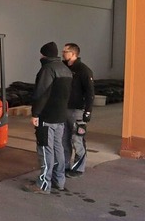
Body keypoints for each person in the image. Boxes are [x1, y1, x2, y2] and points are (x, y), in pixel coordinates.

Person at [23, 41, 72, 194]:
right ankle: (59, 180)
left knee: (45, 149)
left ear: (44, 55)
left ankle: (44, 184)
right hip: (61, 116)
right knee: (59, 148)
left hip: (47, 116)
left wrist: (35, 113)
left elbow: (41, 94)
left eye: (41, 54)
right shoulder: (66, 69)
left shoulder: (47, 69)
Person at [62, 43, 95, 178]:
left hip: (78, 111)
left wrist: (88, 111)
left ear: (74, 54)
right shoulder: (63, 68)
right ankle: (64, 165)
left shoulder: (84, 70)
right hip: (64, 109)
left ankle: (78, 168)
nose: (63, 53)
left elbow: (90, 93)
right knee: (64, 139)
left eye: (66, 51)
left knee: (77, 139)